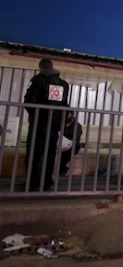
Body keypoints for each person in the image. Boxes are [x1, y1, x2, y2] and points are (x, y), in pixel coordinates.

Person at [24, 58, 70, 191]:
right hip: (54, 124)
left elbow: (29, 101)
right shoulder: (63, 84)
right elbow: (64, 105)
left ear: (40, 68)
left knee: (34, 152)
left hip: (39, 123)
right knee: (50, 153)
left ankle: (33, 183)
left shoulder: (38, 80)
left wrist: (36, 115)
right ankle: (47, 182)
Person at [58, 110, 83, 176]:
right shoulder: (60, 123)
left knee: (68, 151)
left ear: (72, 114)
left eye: (68, 114)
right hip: (59, 144)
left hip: (72, 145)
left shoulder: (77, 126)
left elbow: (75, 139)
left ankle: (62, 169)